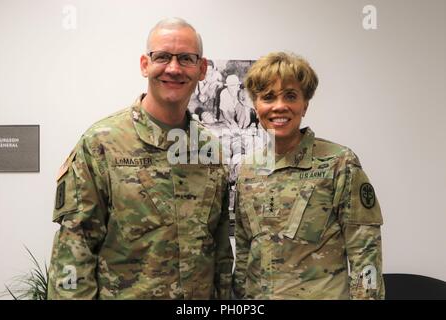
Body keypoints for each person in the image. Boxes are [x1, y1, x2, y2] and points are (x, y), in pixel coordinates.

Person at [47, 17, 233, 300]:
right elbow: (74, 251)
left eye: (185, 58)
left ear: (202, 69)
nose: (173, 68)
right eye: (162, 57)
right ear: (145, 64)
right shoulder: (102, 142)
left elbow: (219, 249)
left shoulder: (209, 149)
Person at [233, 52, 384, 299]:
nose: (279, 106)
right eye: (268, 97)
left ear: (305, 104)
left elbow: (365, 253)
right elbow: (243, 252)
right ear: (256, 105)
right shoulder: (248, 171)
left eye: (290, 96)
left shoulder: (339, 163)